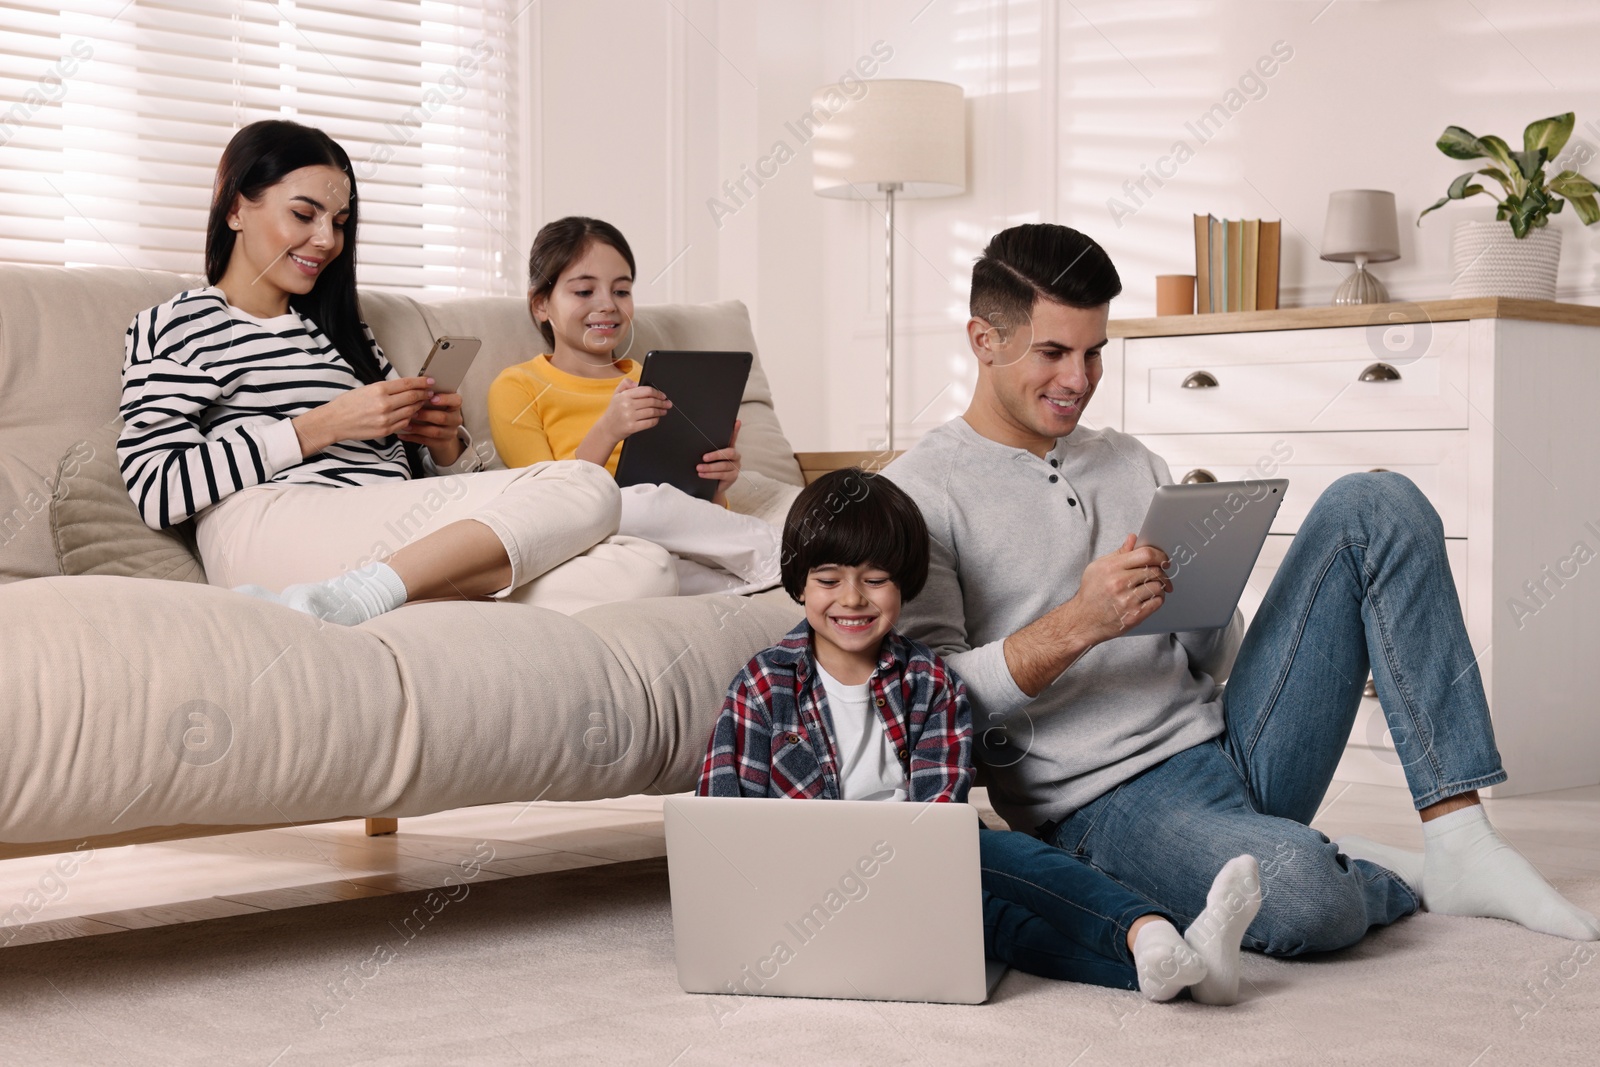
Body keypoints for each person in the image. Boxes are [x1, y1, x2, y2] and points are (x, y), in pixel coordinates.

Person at [884, 222, 1600, 955]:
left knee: (1377, 503)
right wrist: (1080, 622)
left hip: (1230, 742)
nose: (1079, 379)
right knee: (1305, 895)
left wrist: (1199, 598)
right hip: (1100, 808)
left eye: (1094, 351)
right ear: (983, 339)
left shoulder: (1133, 460)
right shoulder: (916, 494)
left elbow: (1209, 660)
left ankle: (1460, 837)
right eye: (1054, 353)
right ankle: (1360, 868)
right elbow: (931, 703)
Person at [698, 468, 1264, 1003]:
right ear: (799, 584)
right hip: (809, 890)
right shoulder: (763, 684)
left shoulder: (931, 683)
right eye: (828, 581)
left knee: (996, 902)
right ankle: (1157, 937)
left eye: (875, 581)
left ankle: (1169, 955)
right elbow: (722, 824)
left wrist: (915, 881)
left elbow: (938, 820)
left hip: (915, 873)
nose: (851, 600)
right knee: (987, 865)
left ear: (905, 586)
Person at [118, 120, 675, 624]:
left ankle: (368, 598)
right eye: (304, 214)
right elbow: (156, 489)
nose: (326, 240)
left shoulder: (343, 336)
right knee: (586, 484)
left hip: (380, 537)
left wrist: (444, 449)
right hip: (271, 524)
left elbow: (414, 487)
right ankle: (368, 595)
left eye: (338, 222)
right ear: (237, 208)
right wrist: (322, 425)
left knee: (647, 571)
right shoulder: (181, 322)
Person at [486, 216, 781, 596]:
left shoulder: (650, 379)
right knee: (642, 503)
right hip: (587, 533)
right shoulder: (517, 386)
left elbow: (690, 506)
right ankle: (794, 555)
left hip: (665, 540)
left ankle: (776, 576)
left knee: (667, 555)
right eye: (583, 292)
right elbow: (547, 506)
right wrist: (608, 430)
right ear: (541, 304)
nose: (607, 305)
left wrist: (716, 484)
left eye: (621, 291)